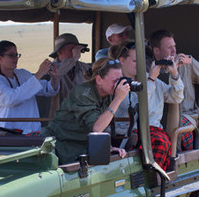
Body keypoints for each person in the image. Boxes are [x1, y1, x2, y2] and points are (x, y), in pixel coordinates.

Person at [109, 41, 184, 170]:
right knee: (159, 141)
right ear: (122, 60)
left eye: (141, 60)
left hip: (154, 132)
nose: (139, 64)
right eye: (134, 61)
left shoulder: (149, 78)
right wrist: (151, 81)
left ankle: (155, 177)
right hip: (129, 134)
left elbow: (176, 97)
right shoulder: (118, 84)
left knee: (160, 141)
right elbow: (139, 108)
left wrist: (174, 75)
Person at [41, 57, 129, 164]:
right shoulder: (83, 93)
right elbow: (97, 128)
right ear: (99, 80)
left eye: (120, 80)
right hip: (59, 145)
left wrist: (109, 147)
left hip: (79, 145)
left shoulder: (108, 93)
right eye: (114, 81)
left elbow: (102, 125)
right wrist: (118, 99)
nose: (118, 85)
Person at [0, 40, 59, 134]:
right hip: (9, 133)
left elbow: (47, 90)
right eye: (11, 55)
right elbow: (13, 99)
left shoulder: (22, 74)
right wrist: (39, 74)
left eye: (17, 55)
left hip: (32, 132)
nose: (16, 58)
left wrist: (55, 77)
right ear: (0, 58)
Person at [149, 29, 198, 150]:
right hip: (158, 122)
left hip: (189, 115)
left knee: (182, 126)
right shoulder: (150, 69)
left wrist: (191, 61)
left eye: (174, 46)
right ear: (156, 50)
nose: (174, 51)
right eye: (169, 47)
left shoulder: (185, 62)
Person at [49, 33, 91, 102]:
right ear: (59, 51)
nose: (75, 52)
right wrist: (74, 58)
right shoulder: (50, 68)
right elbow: (56, 74)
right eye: (71, 49)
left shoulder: (85, 68)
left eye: (76, 49)